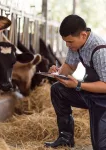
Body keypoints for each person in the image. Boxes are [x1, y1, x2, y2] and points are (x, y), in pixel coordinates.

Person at [44, 14, 106, 150]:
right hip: (90, 93)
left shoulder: (100, 50)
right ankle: (65, 138)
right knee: (58, 89)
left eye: (70, 42)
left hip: (103, 100)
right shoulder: (76, 45)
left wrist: (78, 84)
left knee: (100, 147)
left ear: (83, 35)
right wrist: (58, 72)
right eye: (65, 41)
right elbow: (70, 67)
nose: (67, 45)